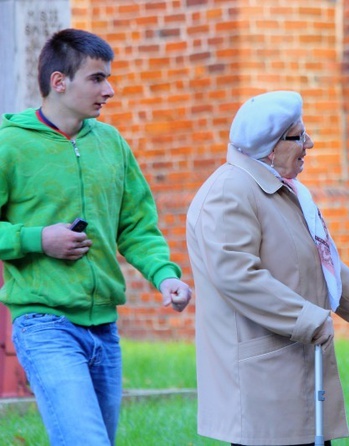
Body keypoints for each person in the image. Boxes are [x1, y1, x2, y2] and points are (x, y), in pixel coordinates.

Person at [186, 90, 349, 446]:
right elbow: (238, 277)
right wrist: (310, 318)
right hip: (261, 382)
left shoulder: (282, 189)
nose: (309, 143)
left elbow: (321, 265)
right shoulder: (229, 192)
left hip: (294, 369)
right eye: (298, 136)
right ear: (270, 147)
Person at [0, 29, 192, 445]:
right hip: (43, 322)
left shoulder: (112, 144)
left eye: (108, 77)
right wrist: (37, 239)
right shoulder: (9, 145)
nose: (111, 89)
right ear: (59, 81)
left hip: (105, 327)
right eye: (97, 78)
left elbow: (137, 226)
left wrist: (165, 276)